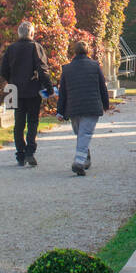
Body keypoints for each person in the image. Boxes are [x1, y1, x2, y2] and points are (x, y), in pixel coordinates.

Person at [0, 21, 53, 167]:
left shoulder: (11, 49)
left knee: (18, 123)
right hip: (32, 88)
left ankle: (20, 153)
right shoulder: (35, 47)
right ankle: (30, 151)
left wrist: (12, 79)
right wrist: (48, 87)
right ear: (31, 33)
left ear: (19, 33)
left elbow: (3, 70)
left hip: (15, 89)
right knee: (32, 121)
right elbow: (43, 70)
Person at [57, 39, 111, 176]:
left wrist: (60, 111)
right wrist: (106, 104)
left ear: (75, 52)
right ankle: (82, 160)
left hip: (73, 107)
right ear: (88, 51)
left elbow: (63, 91)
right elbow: (102, 87)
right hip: (91, 106)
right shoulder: (95, 66)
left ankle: (81, 160)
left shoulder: (67, 69)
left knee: (81, 133)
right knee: (84, 134)